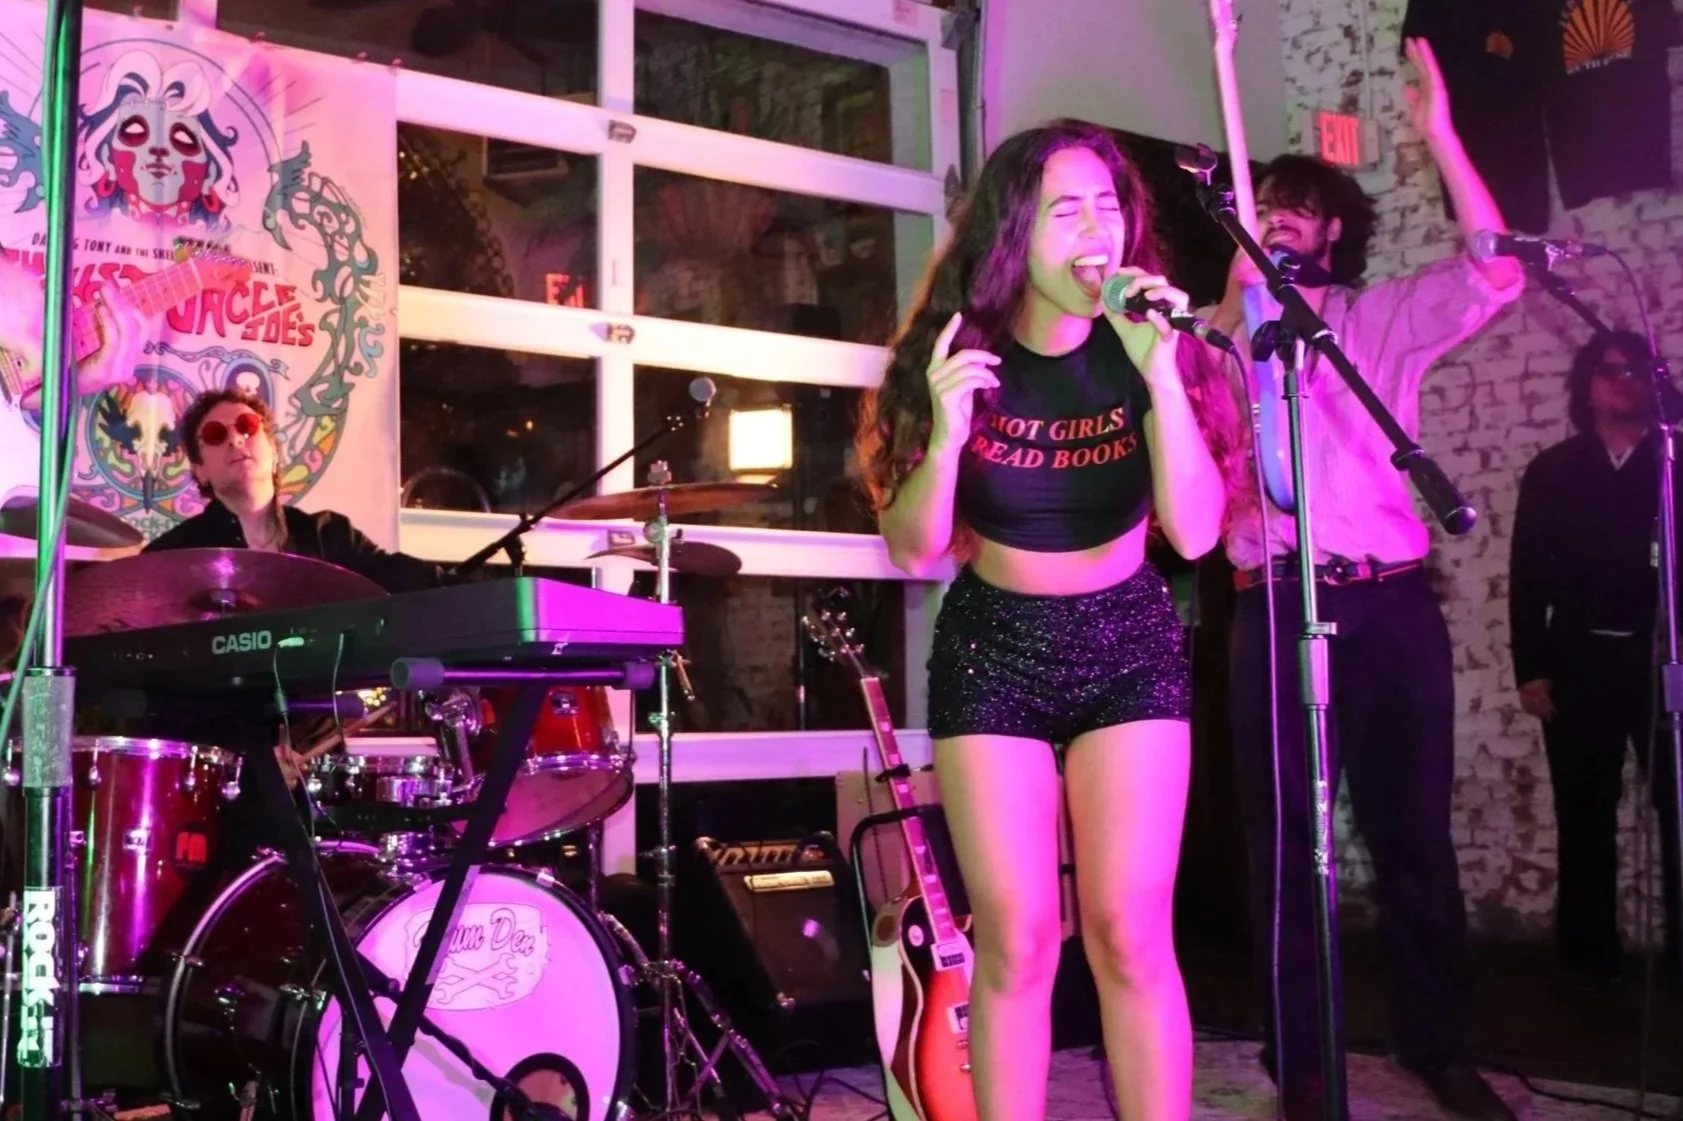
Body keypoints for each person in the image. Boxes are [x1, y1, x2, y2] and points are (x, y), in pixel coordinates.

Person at [858, 118, 1233, 1121]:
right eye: (1067, 210)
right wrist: (944, 438)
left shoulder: (1145, 347)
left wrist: (1161, 374)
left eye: (1108, 206)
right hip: (995, 647)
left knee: (1130, 933)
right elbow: (913, 548)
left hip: (1128, 638)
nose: (1096, 230)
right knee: (1018, 940)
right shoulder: (957, 352)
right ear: (1015, 232)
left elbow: (1197, 531)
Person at [1200, 38, 1524, 1121]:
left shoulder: (1374, 321)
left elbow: (1495, 269)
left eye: (1295, 208)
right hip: (1273, 604)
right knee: (1285, 847)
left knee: (1414, 836)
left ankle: (1440, 1046)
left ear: (1332, 228)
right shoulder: (1218, 339)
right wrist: (1226, 301)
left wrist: (1441, 135)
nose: (1278, 220)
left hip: (1388, 602)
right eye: (1263, 208)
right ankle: (1301, 1062)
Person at [144, 387, 442, 846]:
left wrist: (493, 589)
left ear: (273, 448)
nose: (236, 440)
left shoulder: (327, 536)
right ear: (199, 469)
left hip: (319, 767)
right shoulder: (171, 558)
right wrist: (249, 757)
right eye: (216, 435)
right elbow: (160, 690)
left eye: (247, 427)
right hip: (219, 774)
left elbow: (407, 581)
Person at [1509, 331, 1682, 985]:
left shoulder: (1671, 462)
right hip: (1577, 663)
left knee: (1678, 810)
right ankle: (1588, 957)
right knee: (1583, 810)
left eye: (1636, 371)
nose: (1623, 382)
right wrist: (1530, 667)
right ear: (1585, 385)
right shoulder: (1553, 470)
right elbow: (1527, 574)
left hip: (1661, 660)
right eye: (1610, 371)